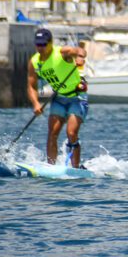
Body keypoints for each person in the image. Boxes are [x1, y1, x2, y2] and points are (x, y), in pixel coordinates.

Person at [26, 28, 88, 167]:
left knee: (71, 133)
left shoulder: (62, 53)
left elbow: (80, 50)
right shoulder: (34, 62)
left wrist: (80, 57)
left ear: (50, 43)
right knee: (52, 133)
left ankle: (75, 168)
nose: (40, 47)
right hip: (58, 98)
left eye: (43, 44)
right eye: (38, 44)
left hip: (77, 97)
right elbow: (31, 85)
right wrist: (36, 103)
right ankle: (51, 167)